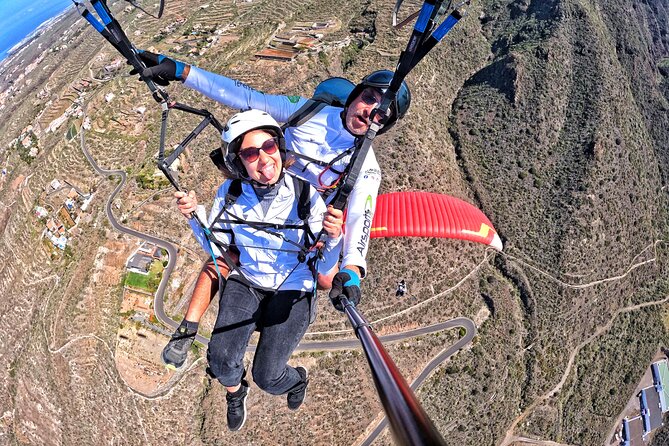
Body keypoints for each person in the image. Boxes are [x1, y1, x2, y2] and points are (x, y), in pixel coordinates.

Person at [135, 51, 411, 367]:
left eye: (381, 114)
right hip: (263, 190)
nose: (369, 112)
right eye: (368, 98)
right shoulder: (307, 111)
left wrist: (352, 272)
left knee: (325, 280)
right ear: (354, 94)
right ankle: (190, 327)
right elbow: (246, 97)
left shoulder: (366, 167)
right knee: (226, 253)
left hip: (307, 217)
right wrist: (182, 71)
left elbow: (362, 217)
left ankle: (280, 323)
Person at [175, 109, 343, 431]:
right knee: (220, 359)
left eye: (268, 147)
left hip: (293, 285)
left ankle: (296, 381)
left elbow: (322, 265)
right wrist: (195, 217)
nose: (263, 158)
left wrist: (333, 239)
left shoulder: (306, 196)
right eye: (251, 153)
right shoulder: (230, 195)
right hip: (249, 280)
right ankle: (236, 393)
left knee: (268, 375)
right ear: (239, 163)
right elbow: (218, 246)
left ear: (279, 148)